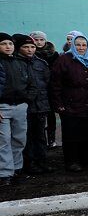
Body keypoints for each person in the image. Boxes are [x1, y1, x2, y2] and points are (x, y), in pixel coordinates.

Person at [50, 31, 88, 172]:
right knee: (71, 135)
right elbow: (55, 84)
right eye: (78, 45)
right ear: (72, 45)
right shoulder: (64, 60)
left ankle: (85, 158)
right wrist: (58, 104)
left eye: (84, 45)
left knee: (87, 133)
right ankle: (72, 161)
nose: (81, 48)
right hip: (70, 104)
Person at [15, 34, 51, 174]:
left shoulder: (40, 63)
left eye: (32, 47)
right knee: (27, 137)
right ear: (19, 48)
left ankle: (42, 161)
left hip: (41, 106)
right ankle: (29, 164)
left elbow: (46, 83)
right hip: (25, 106)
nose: (30, 50)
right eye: (26, 47)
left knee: (41, 136)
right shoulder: (17, 63)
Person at [1, 32, 31, 186]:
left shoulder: (19, 63)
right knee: (3, 140)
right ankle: (5, 173)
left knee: (19, 139)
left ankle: (16, 168)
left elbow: (30, 83)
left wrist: (26, 101)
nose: (8, 47)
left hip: (20, 106)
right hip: (2, 107)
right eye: (4, 44)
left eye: (10, 44)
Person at [30, 30, 59, 147]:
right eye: (36, 40)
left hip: (50, 88)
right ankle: (39, 139)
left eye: (41, 39)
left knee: (51, 114)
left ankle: (51, 139)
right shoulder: (30, 53)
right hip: (36, 88)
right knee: (38, 116)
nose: (39, 42)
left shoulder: (53, 54)